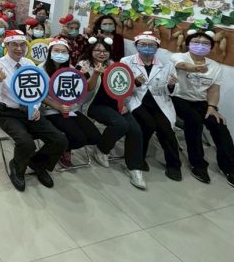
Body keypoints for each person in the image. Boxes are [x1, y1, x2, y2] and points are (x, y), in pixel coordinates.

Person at [0, 30, 68, 192]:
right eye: (14, 45)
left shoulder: (29, 63)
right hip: (7, 112)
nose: (19, 48)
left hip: (30, 110)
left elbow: (37, 90)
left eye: (22, 45)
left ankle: (38, 164)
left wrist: (36, 107)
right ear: (6, 46)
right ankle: (17, 167)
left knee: (60, 140)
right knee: (26, 143)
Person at [78, 37, 145, 189]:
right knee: (120, 124)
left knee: (135, 129)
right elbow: (86, 89)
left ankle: (135, 168)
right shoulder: (83, 65)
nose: (102, 53)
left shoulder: (114, 64)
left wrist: (134, 84)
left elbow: (123, 87)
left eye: (105, 51)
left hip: (116, 104)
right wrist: (96, 73)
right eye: (97, 50)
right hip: (94, 105)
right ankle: (102, 149)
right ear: (91, 50)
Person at [171, 30, 234, 186]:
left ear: (211, 47)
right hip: (178, 98)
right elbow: (181, 65)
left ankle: (229, 166)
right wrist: (194, 68)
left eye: (205, 43)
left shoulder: (215, 67)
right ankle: (198, 164)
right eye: (196, 42)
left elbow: (214, 90)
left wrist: (212, 107)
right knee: (194, 121)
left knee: (219, 124)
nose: (200, 46)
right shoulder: (178, 57)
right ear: (188, 44)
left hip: (201, 102)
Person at [121, 31, 182, 181]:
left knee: (166, 129)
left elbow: (174, 91)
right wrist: (136, 83)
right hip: (136, 99)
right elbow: (121, 86)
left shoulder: (167, 65)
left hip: (160, 101)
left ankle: (174, 165)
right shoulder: (126, 62)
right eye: (143, 44)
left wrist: (171, 85)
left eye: (151, 45)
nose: (147, 47)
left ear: (157, 48)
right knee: (147, 124)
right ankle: (139, 158)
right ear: (136, 46)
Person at [40, 39, 101, 167]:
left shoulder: (72, 69)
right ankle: (62, 149)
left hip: (72, 109)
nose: (60, 54)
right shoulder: (40, 70)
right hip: (51, 110)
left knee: (95, 136)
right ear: (49, 52)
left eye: (64, 52)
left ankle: (63, 146)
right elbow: (39, 95)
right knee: (79, 138)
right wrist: (57, 106)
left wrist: (93, 74)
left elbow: (88, 88)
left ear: (68, 54)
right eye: (56, 51)